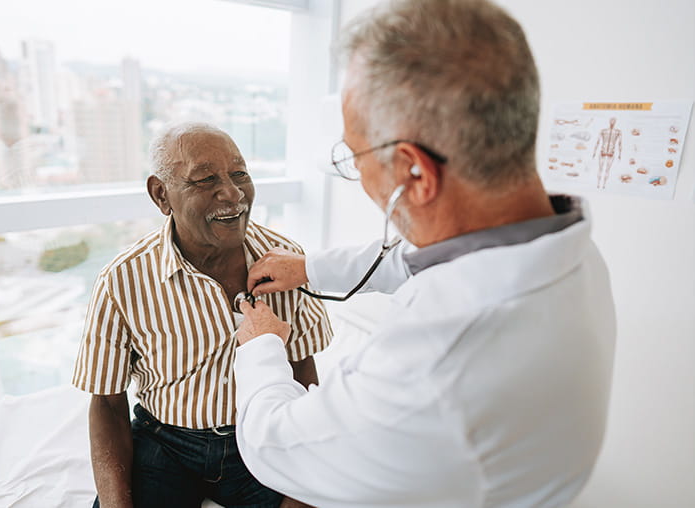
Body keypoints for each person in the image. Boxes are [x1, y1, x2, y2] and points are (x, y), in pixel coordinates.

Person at [232, 1, 617, 507]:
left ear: (415, 174)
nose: (358, 173)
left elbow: (273, 443)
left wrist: (261, 347)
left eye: (353, 155)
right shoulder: (569, 252)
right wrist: (309, 267)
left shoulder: (434, 365)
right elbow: (424, 260)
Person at [72, 122, 332, 508]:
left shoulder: (285, 257)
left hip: (259, 436)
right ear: (161, 195)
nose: (231, 193)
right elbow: (108, 403)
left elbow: (302, 371)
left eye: (239, 173)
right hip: (166, 443)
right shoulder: (123, 279)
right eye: (205, 179)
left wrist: (304, 483)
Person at [592, 117, 622, 189]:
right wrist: (594, 152)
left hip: (611, 153)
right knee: (600, 168)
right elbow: (598, 142)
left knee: (607, 169)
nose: (612, 122)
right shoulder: (603, 131)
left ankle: (604, 184)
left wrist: (619, 154)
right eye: (611, 121)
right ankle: (598, 183)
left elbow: (620, 143)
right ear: (609, 121)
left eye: (614, 121)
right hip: (603, 151)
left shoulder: (618, 132)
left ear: (615, 122)